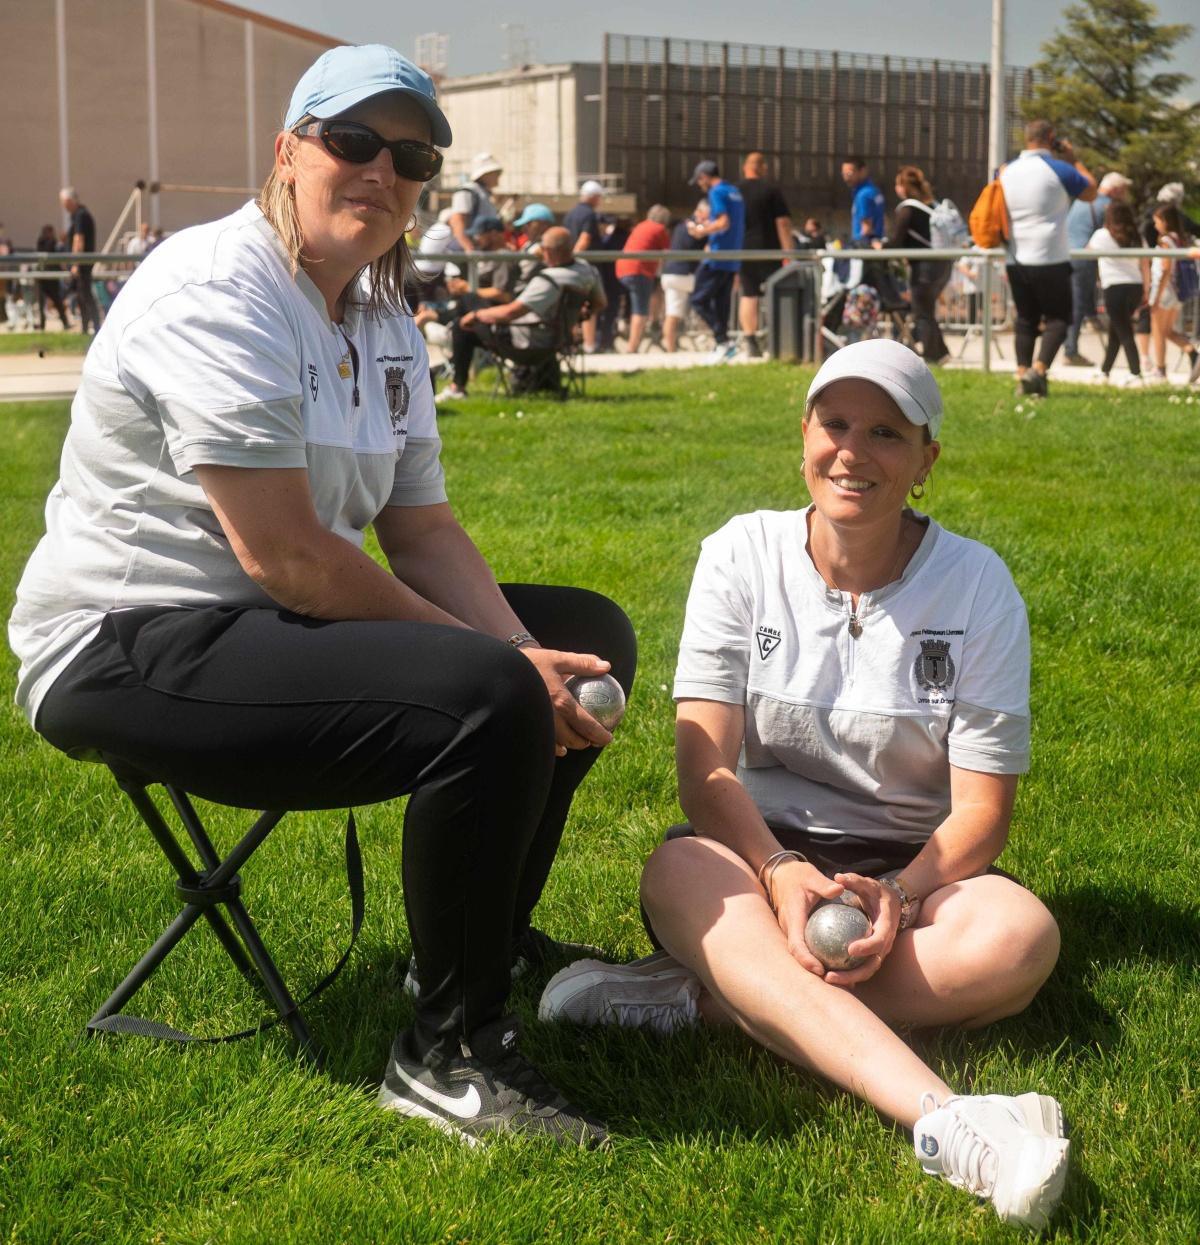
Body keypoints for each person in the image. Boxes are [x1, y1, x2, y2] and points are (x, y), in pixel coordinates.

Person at [8, 43, 635, 1147]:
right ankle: (447, 1057)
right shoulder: (218, 287)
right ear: (289, 151)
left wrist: (527, 649)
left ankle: (473, 949)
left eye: (412, 157)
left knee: (584, 636)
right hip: (125, 642)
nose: (382, 171)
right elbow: (290, 558)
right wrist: (504, 666)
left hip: (264, 624)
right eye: (353, 141)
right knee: (494, 687)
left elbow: (422, 530)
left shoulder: (382, 316)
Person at [541, 338, 1070, 1229]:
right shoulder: (740, 554)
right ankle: (951, 1121)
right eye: (835, 425)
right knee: (676, 872)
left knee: (1019, 941)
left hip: (914, 876)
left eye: (886, 433)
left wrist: (901, 891)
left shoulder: (978, 585)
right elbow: (705, 771)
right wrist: (782, 872)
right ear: (804, 438)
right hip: (754, 854)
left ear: (927, 459)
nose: (853, 452)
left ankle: (705, 997)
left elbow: (982, 812)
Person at [999, 120, 1097, 397]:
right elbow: (1091, 191)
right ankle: (1039, 371)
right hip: (1051, 256)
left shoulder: (1005, 170)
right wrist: (1073, 158)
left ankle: (1022, 375)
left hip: (1015, 257)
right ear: (1051, 137)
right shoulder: (1060, 169)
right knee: (1058, 319)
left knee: (1025, 319)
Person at [453, 226, 605, 391]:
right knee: (470, 302)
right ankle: (539, 380)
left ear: (549, 251)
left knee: (462, 324)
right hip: (560, 340)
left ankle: (457, 387)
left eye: (543, 248)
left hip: (528, 343)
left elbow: (511, 313)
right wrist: (578, 317)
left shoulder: (548, 280)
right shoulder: (587, 271)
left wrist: (475, 315)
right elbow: (600, 303)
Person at [439, 214, 516, 400]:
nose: (476, 239)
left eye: (480, 234)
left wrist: (467, 289)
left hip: (501, 324)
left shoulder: (504, 256)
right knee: (460, 329)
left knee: (468, 298)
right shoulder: (487, 257)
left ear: (494, 233)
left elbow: (504, 295)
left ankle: (440, 316)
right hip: (483, 320)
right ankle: (458, 387)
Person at [885, 165, 953, 365]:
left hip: (925, 268)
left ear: (903, 187)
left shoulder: (908, 209)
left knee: (922, 312)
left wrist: (881, 246)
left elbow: (896, 240)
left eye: (897, 184)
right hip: (943, 265)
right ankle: (941, 353)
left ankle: (933, 356)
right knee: (926, 310)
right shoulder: (932, 205)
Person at [1062, 171, 1127, 365]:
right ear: (1115, 190)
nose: (1125, 195)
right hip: (1085, 257)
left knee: (1074, 302)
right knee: (1078, 304)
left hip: (1068, 254)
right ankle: (1071, 350)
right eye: (1124, 190)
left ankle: (1088, 322)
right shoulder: (1107, 206)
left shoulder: (1082, 201)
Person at [687, 160, 745, 363]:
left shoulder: (716, 192)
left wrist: (701, 231)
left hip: (717, 256)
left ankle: (722, 340)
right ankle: (723, 345)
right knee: (722, 304)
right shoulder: (735, 192)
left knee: (698, 300)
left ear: (704, 176)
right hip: (732, 257)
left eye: (699, 181)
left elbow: (723, 222)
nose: (699, 185)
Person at [736, 151, 794, 356]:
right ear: (763, 167)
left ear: (745, 167)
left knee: (748, 294)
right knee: (775, 292)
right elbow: (783, 222)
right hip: (770, 250)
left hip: (743, 250)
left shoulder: (735, 192)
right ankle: (777, 338)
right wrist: (788, 252)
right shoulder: (771, 191)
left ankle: (751, 341)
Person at [1085, 201, 1149, 385]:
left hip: (1114, 287)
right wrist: (1146, 289)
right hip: (1136, 286)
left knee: (1124, 331)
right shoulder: (1137, 236)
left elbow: (1087, 251)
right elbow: (1145, 263)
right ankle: (1105, 371)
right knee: (1116, 331)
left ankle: (1136, 373)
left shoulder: (1101, 235)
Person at [1146, 203, 1199, 383]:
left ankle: (1160, 369)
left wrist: (1156, 296)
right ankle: (1191, 352)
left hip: (1165, 291)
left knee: (1158, 332)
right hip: (1177, 292)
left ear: (1165, 221)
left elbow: (1165, 269)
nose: (1155, 226)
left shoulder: (1165, 241)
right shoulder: (1180, 239)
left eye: (1157, 221)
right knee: (1168, 331)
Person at [615, 204, 671, 354]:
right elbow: (667, 254)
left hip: (622, 269)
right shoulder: (660, 229)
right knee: (640, 310)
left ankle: (631, 335)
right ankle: (632, 347)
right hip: (639, 271)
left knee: (634, 305)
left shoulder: (641, 225)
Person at [661, 201, 707, 353]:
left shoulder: (681, 225)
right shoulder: (697, 227)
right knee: (710, 301)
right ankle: (709, 337)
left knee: (672, 313)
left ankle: (670, 349)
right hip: (685, 274)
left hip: (670, 273)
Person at [565, 180, 605, 352]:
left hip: (571, 264)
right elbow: (585, 239)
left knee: (572, 305)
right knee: (589, 305)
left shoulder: (570, 214)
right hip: (584, 266)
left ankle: (572, 343)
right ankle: (589, 345)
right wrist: (574, 259)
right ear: (594, 197)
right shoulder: (589, 214)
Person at [59, 186, 102, 334]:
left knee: (85, 296)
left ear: (69, 201)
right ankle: (86, 328)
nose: (63, 206)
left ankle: (96, 327)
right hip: (81, 263)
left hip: (82, 264)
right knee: (81, 297)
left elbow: (79, 240)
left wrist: (76, 264)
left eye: (63, 202)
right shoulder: (78, 215)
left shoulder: (80, 215)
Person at [447, 152, 503, 252]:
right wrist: (468, 247)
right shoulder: (467, 191)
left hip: (482, 249)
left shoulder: (483, 193)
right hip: (468, 251)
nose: (498, 175)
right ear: (485, 174)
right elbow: (457, 220)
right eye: (495, 172)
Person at [35, 223, 71, 330]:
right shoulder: (43, 242)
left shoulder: (52, 242)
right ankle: (43, 324)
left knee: (57, 301)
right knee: (42, 303)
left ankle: (65, 322)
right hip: (43, 277)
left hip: (50, 277)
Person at [511, 202, 555, 290]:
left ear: (543, 224)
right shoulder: (529, 244)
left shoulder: (552, 247)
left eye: (528, 224)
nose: (524, 229)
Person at [841, 158, 886, 243]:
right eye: (844, 174)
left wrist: (855, 244)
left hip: (865, 245)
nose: (846, 178)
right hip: (877, 240)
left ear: (862, 171)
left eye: (849, 174)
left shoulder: (863, 195)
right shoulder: (874, 190)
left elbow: (866, 228)